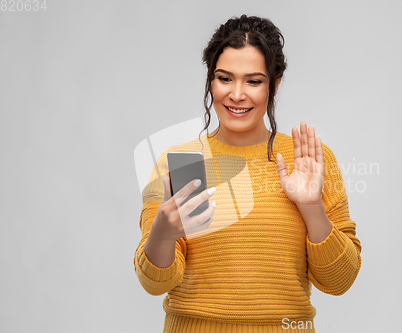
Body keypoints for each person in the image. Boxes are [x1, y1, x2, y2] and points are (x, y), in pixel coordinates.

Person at [134, 14, 362, 333]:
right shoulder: (178, 163)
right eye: (224, 78)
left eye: (253, 81)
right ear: (210, 81)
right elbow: (154, 283)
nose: (237, 94)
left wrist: (311, 207)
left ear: (275, 84)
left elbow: (340, 281)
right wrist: (163, 231)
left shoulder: (309, 159)